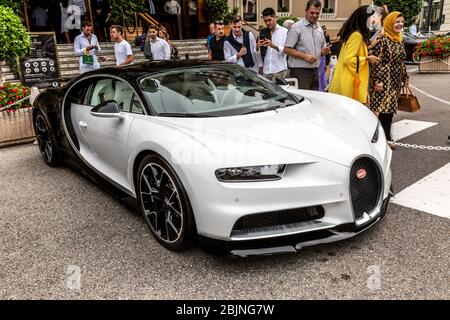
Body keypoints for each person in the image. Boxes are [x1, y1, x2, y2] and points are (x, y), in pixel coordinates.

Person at [369, 12, 408, 149]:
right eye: (397, 21)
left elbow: (402, 61)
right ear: (390, 22)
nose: (400, 24)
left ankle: (385, 136)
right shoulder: (383, 38)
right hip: (383, 79)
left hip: (395, 79)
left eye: (402, 21)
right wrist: (377, 80)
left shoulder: (400, 39)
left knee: (390, 110)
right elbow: (376, 61)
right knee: (381, 109)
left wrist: (405, 77)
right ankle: (381, 138)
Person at [328, 6, 380, 104]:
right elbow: (348, 60)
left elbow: (353, 53)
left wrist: (369, 48)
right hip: (350, 85)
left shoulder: (354, 34)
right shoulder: (357, 36)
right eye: (372, 17)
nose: (374, 20)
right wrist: (367, 59)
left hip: (346, 81)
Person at [284, 0, 330, 90]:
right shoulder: (296, 27)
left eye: (317, 13)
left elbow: (321, 49)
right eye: (312, 12)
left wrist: (323, 52)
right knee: (303, 100)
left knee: (314, 100)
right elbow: (287, 49)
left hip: (316, 71)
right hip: (300, 71)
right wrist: (305, 57)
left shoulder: (319, 28)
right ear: (306, 11)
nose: (314, 15)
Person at [257, 7, 288, 82]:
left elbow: (287, 51)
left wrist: (274, 46)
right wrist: (257, 46)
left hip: (280, 70)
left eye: (269, 20)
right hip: (266, 72)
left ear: (275, 17)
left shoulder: (285, 32)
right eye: (265, 21)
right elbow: (258, 53)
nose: (267, 23)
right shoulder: (263, 32)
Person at [319, 25, 331, 91]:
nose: (324, 30)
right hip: (321, 56)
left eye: (325, 29)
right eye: (323, 29)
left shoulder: (326, 36)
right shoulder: (320, 36)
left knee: (324, 70)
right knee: (321, 73)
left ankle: (324, 86)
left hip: (325, 55)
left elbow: (329, 43)